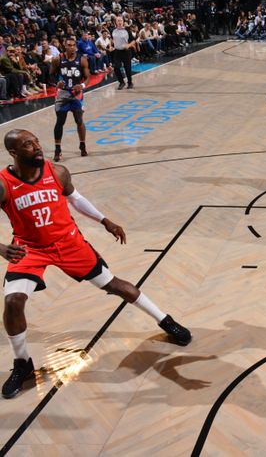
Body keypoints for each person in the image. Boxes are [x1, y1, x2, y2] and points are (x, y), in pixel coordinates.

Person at [0, 130, 191, 399]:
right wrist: (1, 248)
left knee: (116, 286)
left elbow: (76, 199)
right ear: (13, 153)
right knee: (13, 302)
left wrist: (105, 221)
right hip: (29, 248)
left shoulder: (58, 172)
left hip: (69, 243)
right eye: (27, 145)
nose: (36, 147)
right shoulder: (4, 183)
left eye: (36, 141)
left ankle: (167, 321)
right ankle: (23, 364)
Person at [50, 38, 90, 161]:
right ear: (64, 46)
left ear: (76, 47)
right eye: (69, 45)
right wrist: (57, 83)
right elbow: (50, 75)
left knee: (79, 120)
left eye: (73, 45)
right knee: (60, 122)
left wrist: (82, 86)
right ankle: (58, 150)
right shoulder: (57, 59)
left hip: (76, 94)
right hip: (62, 94)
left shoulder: (82, 60)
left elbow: (88, 77)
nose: (72, 47)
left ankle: (82, 145)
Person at [111, 16, 135, 90]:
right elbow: (112, 39)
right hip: (117, 52)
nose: (119, 22)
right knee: (116, 67)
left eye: (121, 20)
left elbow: (133, 40)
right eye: (118, 20)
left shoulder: (127, 30)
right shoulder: (113, 30)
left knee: (127, 68)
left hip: (126, 52)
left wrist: (129, 45)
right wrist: (111, 45)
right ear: (116, 22)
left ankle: (130, 83)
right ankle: (121, 82)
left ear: (123, 22)